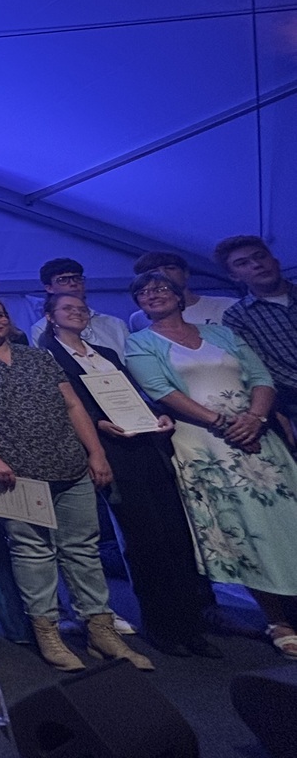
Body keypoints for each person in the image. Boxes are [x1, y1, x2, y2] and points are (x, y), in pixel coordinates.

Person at [0, 296, 149, 672]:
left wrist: (96, 452)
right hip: (13, 472)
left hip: (69, 464)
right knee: (31, 552)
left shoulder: (38, 357)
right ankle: (48, 633)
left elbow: (74, 406)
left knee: (83, 549)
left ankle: (101, 630)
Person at [124, 270, 297, 658]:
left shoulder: (221, 333)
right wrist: (222, 423)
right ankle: (276, 620)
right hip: (205, 444)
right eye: (143, 292)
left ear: (179, 295)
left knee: (288, 518)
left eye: (160, 288)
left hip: (258, 436)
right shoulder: (140, 342)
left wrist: (255, 418)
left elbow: (261, 377)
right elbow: (161, 390)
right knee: (246, 526)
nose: (152, 294)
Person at [40, 292, 215, 657]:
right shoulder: (47, 357)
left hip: (146, 444)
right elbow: (62, 409)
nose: (77, 313)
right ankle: (163, 626)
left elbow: (134, 394)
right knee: (144, 538)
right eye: (67, 309)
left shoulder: (105, 353)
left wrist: (157, 414)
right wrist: (97, 426)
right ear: (50, 316)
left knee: (175, 533)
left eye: (81, 308)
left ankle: (192, 625)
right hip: (109, 450)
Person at [217, 236, 297, 423]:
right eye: (242, 263)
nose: (256, 265)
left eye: (260, 256)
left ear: (275, 260)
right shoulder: (237, 316)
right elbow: (263, 365)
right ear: (234, 276)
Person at [26, 258, 129, 356]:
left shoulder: (115, 324)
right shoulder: (41, 329)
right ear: (49, 288)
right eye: (63, 280)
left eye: (77, 278)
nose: (73, 283)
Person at [126, 253, 237, 332]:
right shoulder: (138, 319)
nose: (163, 274)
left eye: (170, 268)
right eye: (154, 271)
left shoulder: (228, 306)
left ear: (186, 273)